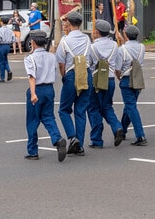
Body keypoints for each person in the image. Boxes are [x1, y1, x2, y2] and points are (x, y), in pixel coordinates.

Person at [24, 30, 67, 162]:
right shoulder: (51, 56)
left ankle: (33, 150)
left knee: (32, 120)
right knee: (48, 117)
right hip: (49, 89)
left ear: (33, 42)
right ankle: (57, 138)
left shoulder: (30, 58)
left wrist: (32, 93)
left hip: (37, 89)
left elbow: (32, 77)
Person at [56, 11, 92, 157]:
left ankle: (72, 137)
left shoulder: (65, 40)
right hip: (86, 72)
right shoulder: (87, 38)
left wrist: (64, 76)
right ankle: (80, 145)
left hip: (71, 73)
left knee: (64, 109)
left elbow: (61, 62)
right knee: (80, 110)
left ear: (69, 24)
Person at [87, 19, 125, 148]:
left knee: (94, 108)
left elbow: (89, 64)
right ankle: (117, 127)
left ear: (96, 32)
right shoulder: (114, 45)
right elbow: (118, 64)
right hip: (110, 79)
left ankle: (97, 139)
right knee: (107, 106)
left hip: (96, 79)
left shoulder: (92, 47)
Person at [117, 24, 147, 146]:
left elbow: (118, 68)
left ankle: (140, 135)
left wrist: (119, 77)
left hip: (126, 78)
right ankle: (123, 129)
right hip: (138, 78)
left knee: (131, 107)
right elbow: (131, 47)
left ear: (126, 35)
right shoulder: (142, 47)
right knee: (130, 105)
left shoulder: (121, 50)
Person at [0, 15, 15, 82]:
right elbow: (13, 39)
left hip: (2, 46)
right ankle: (8, 71)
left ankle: (3, 77)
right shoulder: (10, 30)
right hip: (8, 46)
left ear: (1, 22)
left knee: (1, 62)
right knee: (5, 60)